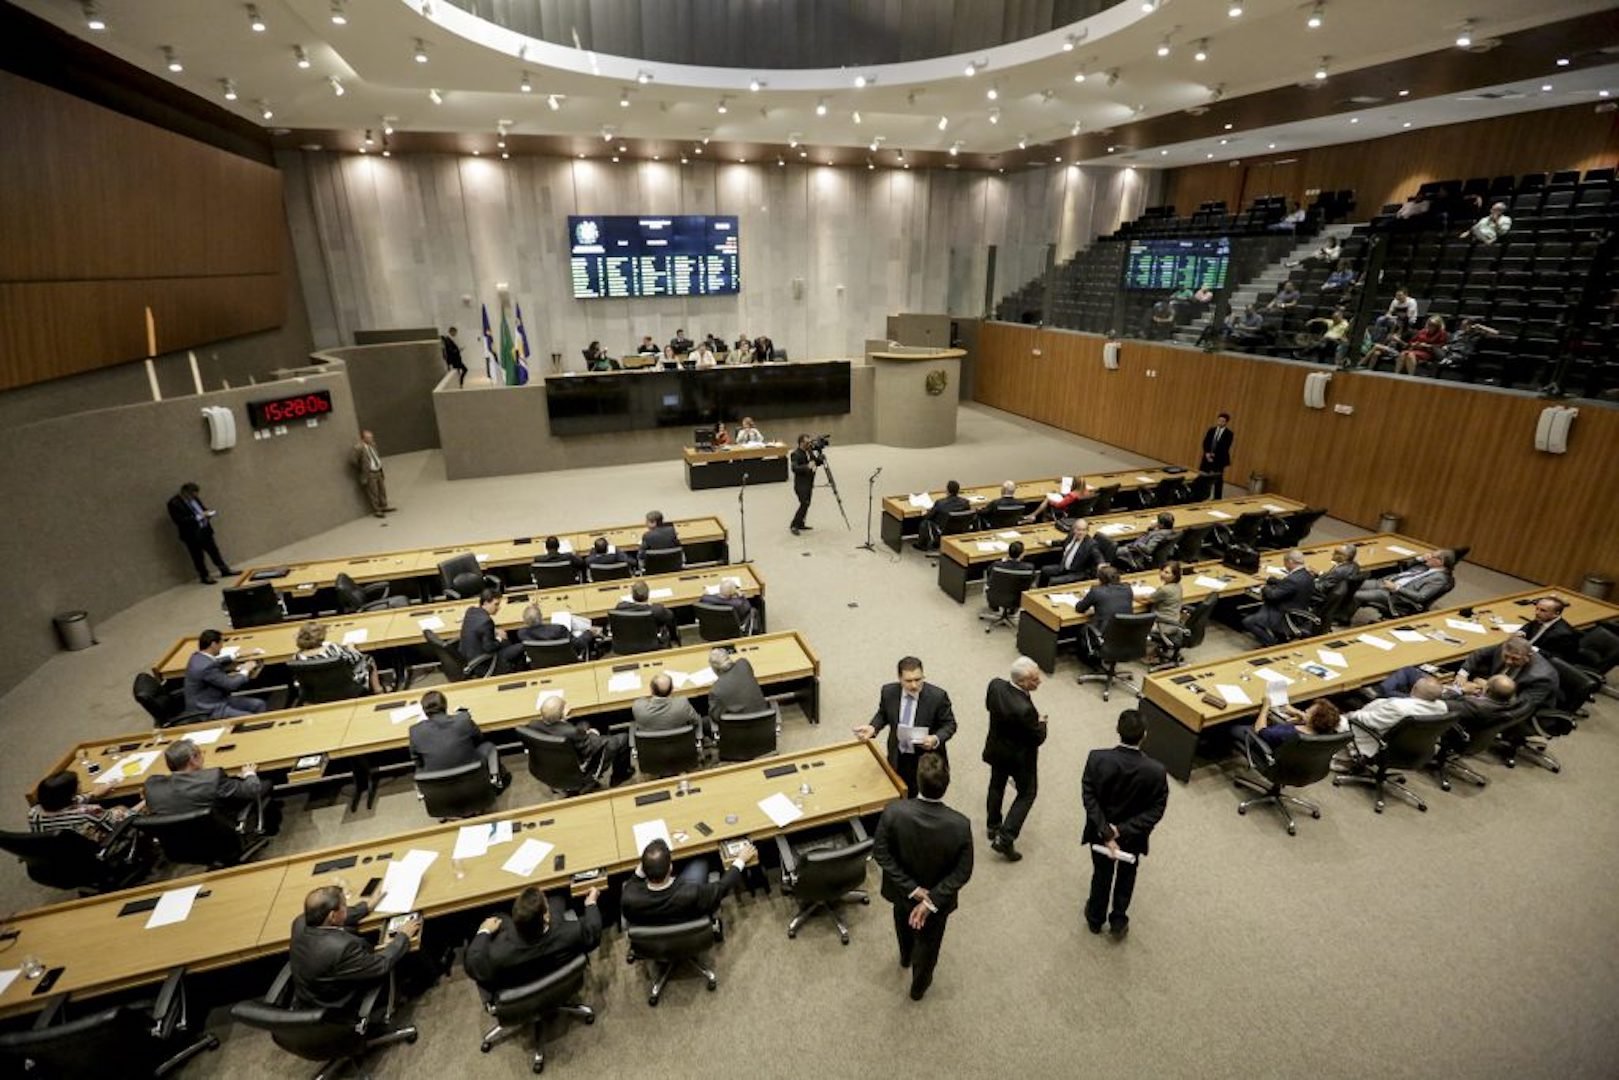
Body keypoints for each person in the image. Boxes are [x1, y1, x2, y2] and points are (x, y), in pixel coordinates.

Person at [872, 753, 973, 1001]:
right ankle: (918, 989)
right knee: (929, 948)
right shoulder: (960, 825)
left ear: (917, 781)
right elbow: (963, 871)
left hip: (902, 893)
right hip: (937, 905)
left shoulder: (893, 812)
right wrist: (931, 900)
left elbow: (881, 853)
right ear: (947, 784)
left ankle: (905, 956)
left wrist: (911, 889)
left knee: (902, 925)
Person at [1081, 710, 1169, 937]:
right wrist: (1122, 830)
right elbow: (1156, 810)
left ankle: (1095, 918)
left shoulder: (1096, 758)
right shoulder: (1156, 771)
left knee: (1101, 873)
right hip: (1133, 836)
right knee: (1127, 875)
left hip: (1100, 833)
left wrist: (1107, 832)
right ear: (1144, 735)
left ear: (1117, 730)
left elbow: (1089, 797)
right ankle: (1118, 919)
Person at [290, 885, 420, 1011]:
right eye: (344, 906)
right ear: (333, 916)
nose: (346, 908)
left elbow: (338, 917)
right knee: (410, 960)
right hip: (337, 1002)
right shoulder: (342, 949)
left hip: (312, 991)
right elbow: (381, 964)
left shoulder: (300, 922)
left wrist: (366, 907)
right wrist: (403, 936)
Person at [465, 885, 603, 991]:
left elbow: (474, 965)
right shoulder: (571, 933)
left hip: (520, 989)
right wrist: (591, 903)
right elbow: (593, 930)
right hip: (561, 981)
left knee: (496, 914)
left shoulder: (498, 954)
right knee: (557, 897)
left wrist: (484, 931)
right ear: (546, 917)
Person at [855, 656, 958, 798]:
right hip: (898, 755)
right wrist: (873, 727)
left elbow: (950, 724)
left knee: (922, 801)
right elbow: (883, 713)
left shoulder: (938, 697)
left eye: (918, 679)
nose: (914, 685)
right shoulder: (888, 692)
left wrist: (935, 738)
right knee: (899, 793)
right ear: (899, 678)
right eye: (908, 681)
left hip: (925, 760)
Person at [982, 658, 1047, 862]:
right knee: (1027, 793)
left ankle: (993, 826)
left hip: (997, 749)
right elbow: (1037, 738)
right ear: (1022, 682)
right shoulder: (1025, 710)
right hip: (1020, 759)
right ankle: (1005, 837)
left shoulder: (995, 685)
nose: (1039, 681)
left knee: (996, 785)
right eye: (1035, 679)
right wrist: (1042, 723)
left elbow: (988, 706)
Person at [144, 737, 278, 834]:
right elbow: (252, 790)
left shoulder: (152, 786)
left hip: (180, 845)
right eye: (200, 753)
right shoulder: (213, 778)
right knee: (266, 783)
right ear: (193, 760)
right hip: (220, 835)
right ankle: (270, 829)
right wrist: (249, 774)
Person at [621, 837, 755, 926]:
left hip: (652, 943)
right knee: (700, 861)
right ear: (671, 868)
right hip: (689, 925)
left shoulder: (629, 898)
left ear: (644, 870)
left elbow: (633, 881)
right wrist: (741, 860)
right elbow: (723, 887)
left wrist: (642, 869)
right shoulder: (693, 893)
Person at [410, 689, 509, 791]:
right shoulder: (463, 720)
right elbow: (479, 739)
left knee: (421, 768)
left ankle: (424, 791)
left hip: (439, 786)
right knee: (489, 747)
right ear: (445, 705)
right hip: (471, 776)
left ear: (424, 711)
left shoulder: (415, 731)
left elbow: (417, 761)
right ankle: (495, 779)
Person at [529, 695, 633, 787]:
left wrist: (584, 732)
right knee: (623, 739)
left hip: (551, 765)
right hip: (579, 768)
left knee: (584, 723)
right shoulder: (572, 732)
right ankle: (620, 776)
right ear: (563, 714)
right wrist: (593, 733)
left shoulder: (533, 725)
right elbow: (592, 747)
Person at [1342, 676, 1448, 759]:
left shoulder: (1398, 708)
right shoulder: (1442, 708)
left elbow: (1370, 721)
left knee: (1340, 720)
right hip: (1412, 747)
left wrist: (1351, 715)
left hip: (1376, 740)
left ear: (1414, 688)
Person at [29, 770, 139, 846]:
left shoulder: (33, 813)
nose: (80, 784)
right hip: (98, 850)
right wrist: (145, 800)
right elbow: (122, 819)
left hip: (58, 857)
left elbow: (66, 806)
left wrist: (92, 794)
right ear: (71, 794)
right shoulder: (89, 812)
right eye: (78, 783)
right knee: (122, 809)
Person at [1452, 635, 1560, 713]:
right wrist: (1463, 674)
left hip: (1516, 711)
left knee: (1459, 709)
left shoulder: (1542, 677)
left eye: (1515, 659)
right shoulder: (1506, 647)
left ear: (1529, 656)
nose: (1508, 661)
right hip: (1492, 692)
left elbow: (1520, 705)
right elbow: (1479, 654)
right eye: (1506, 656)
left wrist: (1487, 688)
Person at [1231, 697, 1345, 762]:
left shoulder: (1287, 734)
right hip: (1295, 762)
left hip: (1266, 748)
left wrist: (1265, 707)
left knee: (1233, 727)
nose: (1306, 710)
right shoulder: (1321, 734)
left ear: (1314, 720)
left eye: (1309, 712)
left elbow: (1259, 730)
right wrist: (1298, 715)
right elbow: (1300, 726)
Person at [184, 628, 266, 717]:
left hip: (215, 699)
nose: (222, 646)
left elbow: (214, 661)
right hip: (208, 709)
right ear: (213, 644)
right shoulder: (206, 667)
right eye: (221, 643)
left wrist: (237, 655)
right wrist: (246, 669)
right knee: (249, 717)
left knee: (259, 704)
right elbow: (231, 685)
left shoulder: (197, 657)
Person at [1352, 549, 1455, 619]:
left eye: (1432, 556)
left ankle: (1344, 620)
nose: (1428, 557)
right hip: (1388, 582)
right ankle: (1344, 612)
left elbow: (1421, 597)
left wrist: (1396, 588)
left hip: (1396, 596)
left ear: (1440, 562)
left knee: (1357, 595)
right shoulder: (1428, 566)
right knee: (1354, 584)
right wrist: (1420, 559)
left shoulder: (1440, 579)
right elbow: (1407, 566)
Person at [1242, 549, 1316, 646]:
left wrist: (1264, 587)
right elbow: (1290, 586)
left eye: (1285, 562)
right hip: (1299, 610)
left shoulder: (1292, 579)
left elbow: (1272, 595)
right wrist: (1270, 579)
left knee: (1248, 622)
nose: (1284, 565)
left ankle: (1272, 644)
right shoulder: (1307, 575)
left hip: (1284, 614)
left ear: (1290, 561)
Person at [167, 482, 236, 584]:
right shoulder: (174, 503)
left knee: (214, 552)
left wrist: (208, 513)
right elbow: (179, 520)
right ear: (185, 492)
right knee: (198, 556)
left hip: (205, 530)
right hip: (191, 534)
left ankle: (224, 570)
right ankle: (205, 576)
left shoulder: (195, 499)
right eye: (192, 495)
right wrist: (198, 517)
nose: (194, 497)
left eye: (195, 495)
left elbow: (202, 509)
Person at [294, 622, 383, 695]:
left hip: (316, 694)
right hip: (345, 689)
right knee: (368, 659)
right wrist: (351, 648)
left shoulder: (297, 658)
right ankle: (378, 690)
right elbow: (355, 658)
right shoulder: (333, 648)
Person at [461, 588, 527, 675]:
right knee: (521, 646)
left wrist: (494, 630)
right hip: (485, 662)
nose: (498, 608)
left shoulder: (471, 611)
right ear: (485, 603)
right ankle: (519, 675)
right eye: (496, 604)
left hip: (470, 656)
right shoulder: (487, 621)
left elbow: (479, 628)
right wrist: (500, 639)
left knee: (508, 642)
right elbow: (489, 647)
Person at [632, 673, 704, 748]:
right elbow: (695, 721)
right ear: (672, 689)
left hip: (651, 750)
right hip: (681, 747)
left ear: (651, 690)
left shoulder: (638, 707)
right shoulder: (682, 704)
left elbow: (640, 700)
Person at [706, 647, 767, 735]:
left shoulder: (716, 690)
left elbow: (716, 717)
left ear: (715, 670)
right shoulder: (744, 664)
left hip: (738, 732)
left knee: (705, 722)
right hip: (763, 723)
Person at [1075, 564, 1134, 647]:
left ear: (1100, 579)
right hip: (1126, 633)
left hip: (1103, 634)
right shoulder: (1127, 588)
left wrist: (1087, 598)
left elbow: (1079, 608)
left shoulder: (1096, 591)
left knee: (1081, 629)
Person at [518, 602, 596, 661]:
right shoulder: (559, 629)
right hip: (567, 662)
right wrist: (589, 632)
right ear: (541, 617)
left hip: (541, 665)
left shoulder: (522, 634)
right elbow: (578, 644)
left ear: (525, 621)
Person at [1039, 519, 1103, 587]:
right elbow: (1063, 542)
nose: (1081, 532)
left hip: (1077, 573)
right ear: (1074, 529)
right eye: (1078, 530)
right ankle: (1040, 589)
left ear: (1087, 531)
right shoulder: (1071, 535)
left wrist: (1101, 564)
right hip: (1064, 567)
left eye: (1083, 530)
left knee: (1053, 581)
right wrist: (1049, 542)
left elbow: (1098, 555)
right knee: (1044, 570)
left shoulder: (1091, 544)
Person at [617, 580, 680, 646]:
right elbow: (671, 618)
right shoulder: (658, 610)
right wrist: (673, 637)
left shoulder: (621, 608)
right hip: (653, 645)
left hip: (628, 645)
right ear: (648, 594)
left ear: (632, 595)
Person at [1521, 596, 1581, 663]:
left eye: (1543, 610)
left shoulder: (1565, 635)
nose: (1537, 612)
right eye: (1537, 608)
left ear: (1556, 614)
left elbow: (1558, 658)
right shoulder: (1542, 618)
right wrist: (1521, 632)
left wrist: (1533, 649)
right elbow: (1529, 625)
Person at [1435, 318, 1501, 379]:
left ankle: (1448, 360)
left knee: (1455, 356)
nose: (1462, 327)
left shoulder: (1478, 334)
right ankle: (1447, 360)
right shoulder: (1457, 333)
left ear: (1471, 326)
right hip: (1449, 352)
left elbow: (1496, 333)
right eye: (1462, 325)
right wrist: (1446, 346)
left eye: (1465, 325)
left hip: (1463, 355)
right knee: (1434, 348)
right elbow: (1450, 343)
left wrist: (1480, 326)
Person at [1145, 560, 1184, 659]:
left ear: (1175, 576)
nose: (1162, 574)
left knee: (1136, 622)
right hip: (1174, 621)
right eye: (1162, 570)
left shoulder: (1164, 590)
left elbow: (1146, 600)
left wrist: (1131, 595)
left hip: (1162, 624)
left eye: (1167, 572)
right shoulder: (1178, 586)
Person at [918, 480, 972, 550]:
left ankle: (922, 545)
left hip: (944, 532)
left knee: (925, 523)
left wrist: (924, 513)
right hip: (960, 531)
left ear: (947, 491)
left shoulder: (940, 503)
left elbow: (928, 517)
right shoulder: (965, 503)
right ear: (958, 491)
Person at [352, 430, 394, 518]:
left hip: (378, 471)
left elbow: (375, 456)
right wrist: (363, 468)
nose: (371, 439)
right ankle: (377, 510)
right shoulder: (358, 448)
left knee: (382, 490)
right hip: (370, 473)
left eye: (371, 437)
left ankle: (384, 506)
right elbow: (353, 460)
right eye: (369, 437)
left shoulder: (373, 445)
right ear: (363, 439)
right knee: (373, 492)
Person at [1314, 542, 1361, 607]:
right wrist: (1320, 573)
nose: (1333, 554)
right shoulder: (1354, 565)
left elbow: (1322, 588)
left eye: (1336, 553)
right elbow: (1332, 578)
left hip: (1320, 594)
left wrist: (1309, 581)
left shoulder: (1338, 571)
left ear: (1345, 557)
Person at [1199, 413, 1234, 498]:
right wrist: (1207, 453)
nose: (1220, 422)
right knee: (1203, 476)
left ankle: (1217, 497)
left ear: (1226, 422)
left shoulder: (1229, 433)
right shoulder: (1211, 430)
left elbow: (1225, 447)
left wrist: (1214, 456)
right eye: (1219, 420)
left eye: (1223, 421)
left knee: (1218, 478)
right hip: (1207, 457)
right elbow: (1205, 442)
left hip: (1219, 459)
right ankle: (1201, 495)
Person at [789, 434, 817, 535]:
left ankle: (801, 523)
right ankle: (794, 525)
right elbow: (794, 468)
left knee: (807, 503)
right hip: (801, 484)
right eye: (807, 443)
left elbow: (815, 462)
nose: (809, 444)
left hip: (809, 482)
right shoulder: (795, 454)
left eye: (809, 442)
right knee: (804, 503)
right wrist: (807, 466)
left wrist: (820, 459)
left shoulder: (809, 451)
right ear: (801, 443)